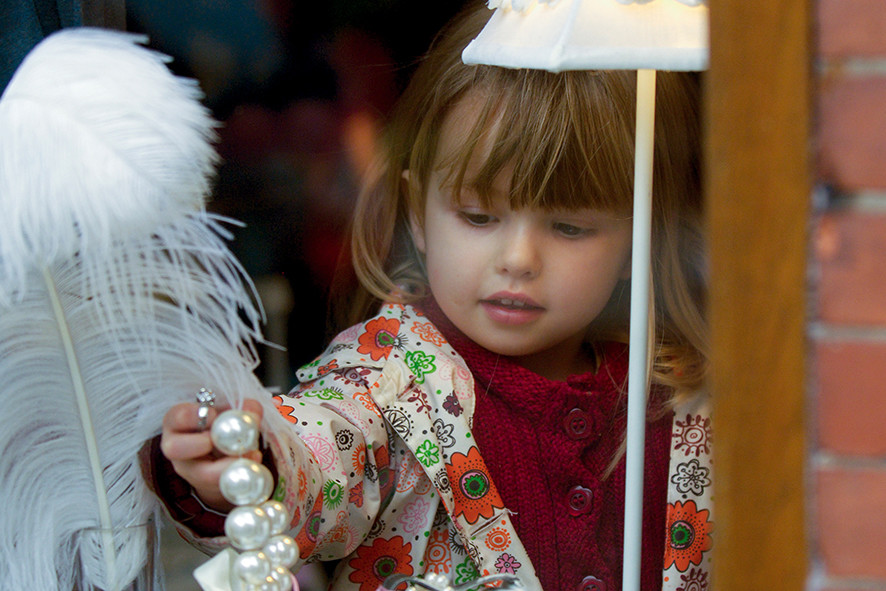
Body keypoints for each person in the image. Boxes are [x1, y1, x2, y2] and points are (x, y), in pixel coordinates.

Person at [151, 2, 713, 590]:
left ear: (638, 238)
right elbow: (325, 453)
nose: (518, 259)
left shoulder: (682, 401)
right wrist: (254, 462)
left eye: (569, 227)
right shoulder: (386, 381)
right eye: (477, 216)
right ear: (418, 214)